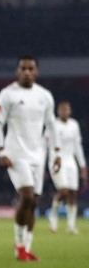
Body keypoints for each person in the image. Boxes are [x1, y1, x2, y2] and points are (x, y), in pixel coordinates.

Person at [0, 56, 59, 261]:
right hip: (15, 154)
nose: (27, 72)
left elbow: (51, 125)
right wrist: (1, 151)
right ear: (17, 71)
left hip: (39, 154)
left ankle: (26, 247)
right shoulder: (8, 94)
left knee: (34, 202)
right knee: (27, 196)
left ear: (36, 72)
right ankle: (19, 246)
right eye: (23, 68)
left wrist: (56, 153)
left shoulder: (45, 96)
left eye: (31, 68)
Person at [46, 101, 86, 235]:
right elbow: (45, 143)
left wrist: (82, 165)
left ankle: (71, 226)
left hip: (70, 161)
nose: (64, 112)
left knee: (73, 193)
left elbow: (77, 146)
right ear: (58, 111)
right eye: (62, 110)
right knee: (63, 191)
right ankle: (53, 217)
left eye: (66, 110)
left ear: (70, 111)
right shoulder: (53, 125)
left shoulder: (74, 125)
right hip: (56, 161)